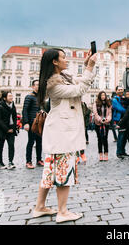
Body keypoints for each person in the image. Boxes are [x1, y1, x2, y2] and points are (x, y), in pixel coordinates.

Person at [32, 48, 96, 223]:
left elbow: (80, 80)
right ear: (54, 61)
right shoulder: (54, 85)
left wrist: (87, 65)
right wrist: (89, 67)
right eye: (63, 57)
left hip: (60, 131)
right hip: (62, 133)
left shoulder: (63, 77)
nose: (66, 60)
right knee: (64, 171)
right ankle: (62, 211)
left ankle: (40, 207)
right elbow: (80, 89)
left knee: (49, 172)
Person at [0, 91, 18, 170]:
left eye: (11, 96)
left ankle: (11, 162)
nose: (11, 97)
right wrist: (7, 129)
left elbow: (15, 118)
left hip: (11, 129)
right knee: (0, 146)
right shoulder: (0, 107)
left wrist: (13, 128)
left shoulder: (13, 106)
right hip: (1, 130)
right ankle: (0, 163)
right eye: (9, 96)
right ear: (5, 98)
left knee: (11, 145)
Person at [22, 80, 43, 169]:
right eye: (37, 85)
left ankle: (39, 159)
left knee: (39, 142)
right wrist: (26, 123)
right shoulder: (29, 97)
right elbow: (25, 110)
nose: (38, 86)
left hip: (40, 123)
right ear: (33, 86)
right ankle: (28, 161)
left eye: (39, 85)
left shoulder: (41, 97)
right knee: (31, 142)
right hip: (31, 123)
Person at [92, 91, 112, 162]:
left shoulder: (108, 103)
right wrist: (100, 120)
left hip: (106, 123)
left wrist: (107, 119)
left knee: (105, 138)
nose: (103, 96)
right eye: (102, 95)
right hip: (98, 123)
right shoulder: (96, 103)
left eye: (104, 95)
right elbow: (95, 113)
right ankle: (100, 154)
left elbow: (110, 113)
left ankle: (106, 154)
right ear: (99, 96)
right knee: (99, 139)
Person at [112, 86, 129, 158]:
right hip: (119, 119)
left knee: (125, 136)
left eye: (121, 89)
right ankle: (119, 152)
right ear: (116, 91)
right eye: (119, 90)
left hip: (125, 119)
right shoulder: (114, 99)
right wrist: (128, 112)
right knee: (121, 136)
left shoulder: (125, 98)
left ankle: (123, 151)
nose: (120, 91)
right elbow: (119, 108)